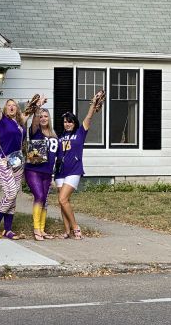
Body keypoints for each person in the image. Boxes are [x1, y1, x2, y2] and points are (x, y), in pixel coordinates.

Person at [0, 77, 34, 240]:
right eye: (9, 105)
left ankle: (8, 229)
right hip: (3, 160)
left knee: (14, 194)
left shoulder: (19, 122)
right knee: (10, 193)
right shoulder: (2, 120)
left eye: (14, 105)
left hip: (17, 161)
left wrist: (39, 103)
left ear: (17, 109)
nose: (11, 107)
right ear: (5, 109)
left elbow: (29, 111)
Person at [55, 91, 104, 240]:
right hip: (60, 172)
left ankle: (76, 227)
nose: (67, 123)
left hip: (74, 171)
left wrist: (94, 103)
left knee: (62, 199)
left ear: (74, 122)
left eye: (70, 121)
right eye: (65, 121)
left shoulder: (80, 132)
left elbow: (89, 117)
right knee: (64, 203)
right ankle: (67, 231)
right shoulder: (60, 136)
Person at [24, 105, 58, 241]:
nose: (43, 118)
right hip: (33, 169)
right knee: (38, 196)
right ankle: (36, 229)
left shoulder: (54, 136)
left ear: (49, 118)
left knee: (44, 199)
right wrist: (37, 108)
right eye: (40, 116)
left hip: (47, 172)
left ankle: (42, 229)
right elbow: (33, 122)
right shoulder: (35, 131)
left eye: (45, 116)